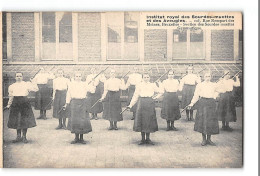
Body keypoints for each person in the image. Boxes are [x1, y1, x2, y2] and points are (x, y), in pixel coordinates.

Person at [127, 72, 163, 145]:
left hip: (150, 103)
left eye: (147, 77)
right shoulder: (139, 85)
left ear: (149, 78)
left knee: (149, 120)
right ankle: (143, 139)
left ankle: (148, 139)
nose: (146, 79)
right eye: (145, 77)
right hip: (141, 103)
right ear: (142, 78)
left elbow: (161, 91)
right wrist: (130, 105)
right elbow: (135, 96)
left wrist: (155, 97)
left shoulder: (152, 85)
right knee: (142, 120)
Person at [188, 71, 219, 146]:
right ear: (203, 77)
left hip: (211, 103)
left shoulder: (214, 85)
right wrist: (192, 103)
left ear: (211, 77)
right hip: (202, 103)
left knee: (210, 121)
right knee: (203, 121)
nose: (207, 78)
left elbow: (217, 91)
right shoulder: (200, 85)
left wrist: (214, 97)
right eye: (206, 76)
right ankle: (204, 139)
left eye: (209, 76)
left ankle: (209, 139)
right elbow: (196, 95)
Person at [5, 72, 39, 143]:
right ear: (15, 77)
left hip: (25, 102)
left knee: (24, 120)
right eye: (17, 76)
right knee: (17, 120)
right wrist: (9, 105)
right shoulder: (12, 86)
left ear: (22, 77)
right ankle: (18, 136)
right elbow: (11, 96)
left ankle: (24, 137)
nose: (19, 77)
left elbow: (36, 89)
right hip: (15, 103)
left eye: (20, 76)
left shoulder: (26, 84)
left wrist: (33, 82)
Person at [63, 72, 95, 144]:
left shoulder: (85, 84)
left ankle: (81, 138)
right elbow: (68, 94)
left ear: (81, 77)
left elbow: (92, 91)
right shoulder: (71, 85)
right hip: (74, 103)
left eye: (79, 76)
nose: (78, 78)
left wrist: (92, 83)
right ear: (74, 77)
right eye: (76, 76)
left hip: (83, 103)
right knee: (75, 120)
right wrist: (66, 103)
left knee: (82, 120)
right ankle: (76, 138)